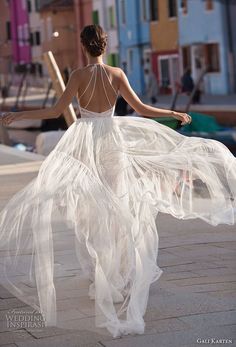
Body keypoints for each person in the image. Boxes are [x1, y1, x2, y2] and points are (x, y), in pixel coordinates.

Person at [0, 25, 235, 338]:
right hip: (112, 143)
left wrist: (19, 115)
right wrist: (174, 113)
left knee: (92, 213)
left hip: (85, 144)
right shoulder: (117, 73)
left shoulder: (78, 76)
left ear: (83, 45)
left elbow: (57, 110)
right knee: (118, 209)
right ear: (104, 45)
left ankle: (102, 276)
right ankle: (115, 275)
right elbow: (141, 109)